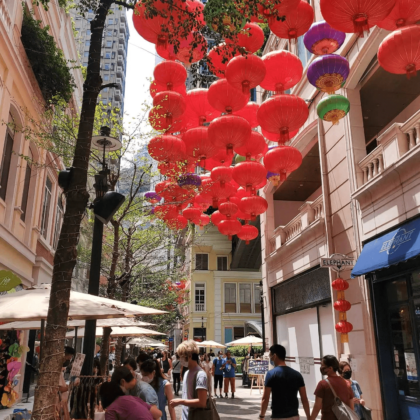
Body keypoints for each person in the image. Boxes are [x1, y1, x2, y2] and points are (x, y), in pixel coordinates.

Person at [259, 344, 310, 420]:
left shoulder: (271, 374)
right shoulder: (297, 375)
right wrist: (309, 417)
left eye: (270, 355)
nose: (270, 358)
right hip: (294, 416)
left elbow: (265, 398)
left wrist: (262, 415)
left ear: (275, 355)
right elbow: (304, 399)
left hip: (278, 416)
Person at [169, 340, 208, 420]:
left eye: (181, 356)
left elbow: (202, 402)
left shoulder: (200, 375)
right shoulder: (187, 373)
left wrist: (180, 401)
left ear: (189, 356)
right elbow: (186, 397)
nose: (180, 359)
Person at [310, 355, 355, 420]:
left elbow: (317, 407)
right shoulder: (347, 383)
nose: (321, 367)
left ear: (330, 368)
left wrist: (311, 418)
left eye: (323, 365)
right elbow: (351, 407)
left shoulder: (322, 384)